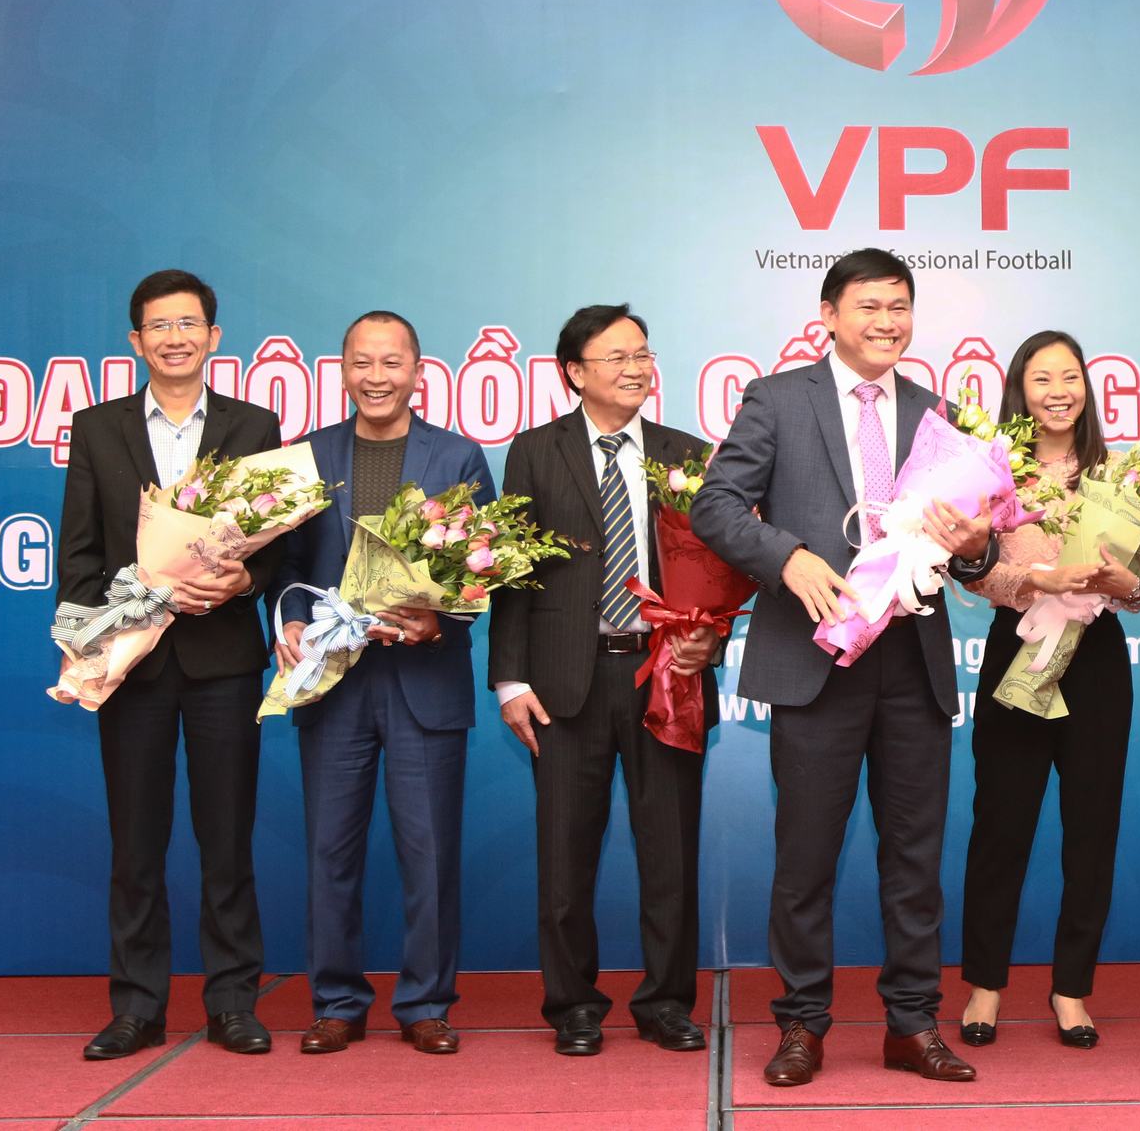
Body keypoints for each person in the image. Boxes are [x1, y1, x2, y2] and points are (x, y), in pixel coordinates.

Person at [691, 248, 995, 1087]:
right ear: (828, 315)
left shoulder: (938, 414)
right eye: (868, 306)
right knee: (806, 857)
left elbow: (975, 550)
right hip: (817, 656)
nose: (886, 321)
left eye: (899, 306)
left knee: (915, 859)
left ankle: (913, 1023)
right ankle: (802, 1023)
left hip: (912, 659)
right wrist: (785, 556)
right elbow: (715, 504)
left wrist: (977, 545)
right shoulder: (778, 398)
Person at [58, 269, 279, 1060]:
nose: (175, 337)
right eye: (159, 325)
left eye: (189, 323)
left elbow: (278, 544)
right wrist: (105, 637)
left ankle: (232, 1001)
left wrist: (242, 582)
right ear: (136, 340)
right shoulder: (97, 428)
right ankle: (137, 1006)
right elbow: (79, 556)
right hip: (134, 665)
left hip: (224, 660)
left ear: (213, 336)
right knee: (136, 843)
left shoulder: (255, 424)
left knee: (228, 839)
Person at [488, 304, 720, 1057]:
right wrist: (509, 680)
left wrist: (710, 635)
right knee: (564, 857)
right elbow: (511, 571)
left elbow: (715, 567)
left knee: (670, 853)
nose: (634, 368)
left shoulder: (687, 454)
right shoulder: (535, 450)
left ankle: (666, 1002)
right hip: (565, 681)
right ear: (575, 372)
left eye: (642, 354)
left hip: (665, 675)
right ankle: (573, 1005)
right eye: (616, 356)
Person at [273, 311, 494, 1056]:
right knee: (330, 853)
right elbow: (285, 562)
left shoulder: (457, 456)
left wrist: (441, 621)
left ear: (417, 372)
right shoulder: (305, 456)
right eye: (362, 363)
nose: (376, 377)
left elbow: (482, 565)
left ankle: (426, 1003)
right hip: (333, 681)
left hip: (422, 681)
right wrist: (290, 620)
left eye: (391, 362)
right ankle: (337, 1002)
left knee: (429, 855)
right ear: (342, 370)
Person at [956, 332, 1140, 1051]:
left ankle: (1072, 988)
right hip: (1019, 647)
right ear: (1020, 389)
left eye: (1070, 376)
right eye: (1042, 379)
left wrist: (1122, 582)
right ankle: (984, 984)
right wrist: (1040, 579)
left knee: (1091, 828)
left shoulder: (1120, 472)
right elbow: (971, 569)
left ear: (1086, 388)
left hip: (1095, 657)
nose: (1058, 391)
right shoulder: (993, 472)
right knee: (1000, 825)